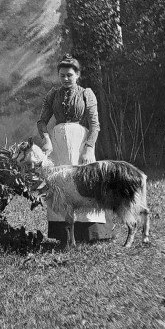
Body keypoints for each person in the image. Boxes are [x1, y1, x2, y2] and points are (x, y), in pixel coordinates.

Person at [36, 54, 114, 243]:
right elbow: (42, 121)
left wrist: (89, 148)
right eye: (62, 75)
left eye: (69, 75)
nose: (65, 79)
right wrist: (46, 138)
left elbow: (95, 125)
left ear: (77, 75)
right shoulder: (53, 94)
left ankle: (91, 232)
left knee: (83, 183)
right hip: (58, 145)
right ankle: (63, 233)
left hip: (80, 142)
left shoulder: (86, 94)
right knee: (60, 185)